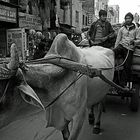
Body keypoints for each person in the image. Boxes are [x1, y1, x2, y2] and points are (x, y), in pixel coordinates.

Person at [113, 12, 140, 84]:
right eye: (126, 18)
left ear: (132, 19)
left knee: (127, 66)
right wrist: (115, 47)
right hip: (121, 46)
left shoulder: (136, 29)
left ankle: (123, 83)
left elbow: (138, 39)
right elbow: (118, 40)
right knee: (112, 53)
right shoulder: (121, 29)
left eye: (129, 18)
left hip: (129, 48)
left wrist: (134, 42)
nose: (127, 20)